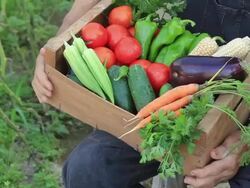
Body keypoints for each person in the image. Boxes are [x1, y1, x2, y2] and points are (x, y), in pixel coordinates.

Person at [32, 0, 250, 187]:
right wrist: (54, 48)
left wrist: (241, 144)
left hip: (244, 120)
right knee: (88, 168)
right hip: (165, 99)